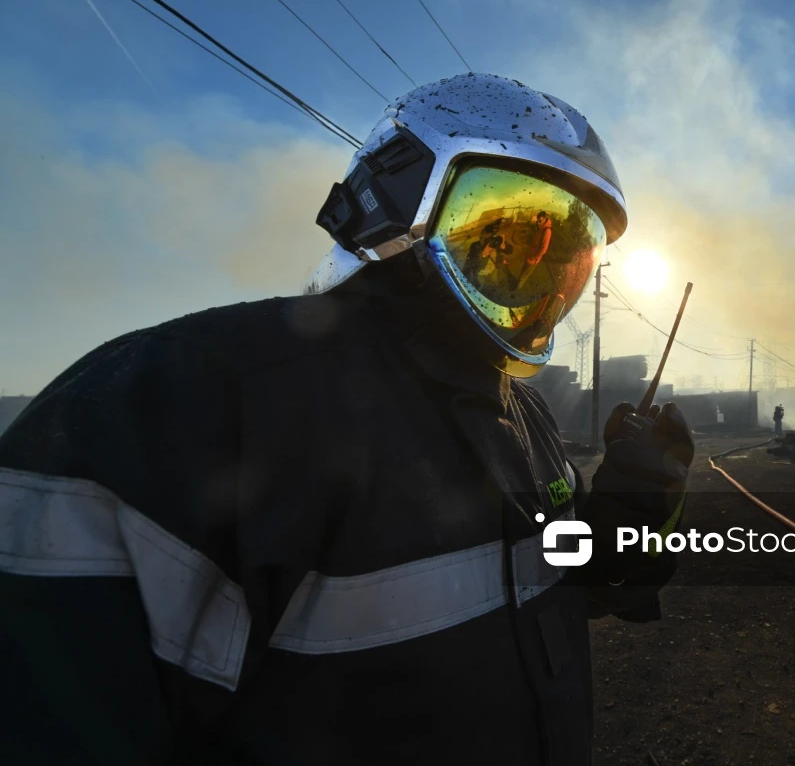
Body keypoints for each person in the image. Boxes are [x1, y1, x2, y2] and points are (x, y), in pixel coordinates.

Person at [0, 74, 693, 765]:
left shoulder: (526, 419)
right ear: (395, 199)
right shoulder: (188, 402)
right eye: (503, 229)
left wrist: (635, 503)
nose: (531, 273)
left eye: (564, 256)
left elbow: (578, 583)